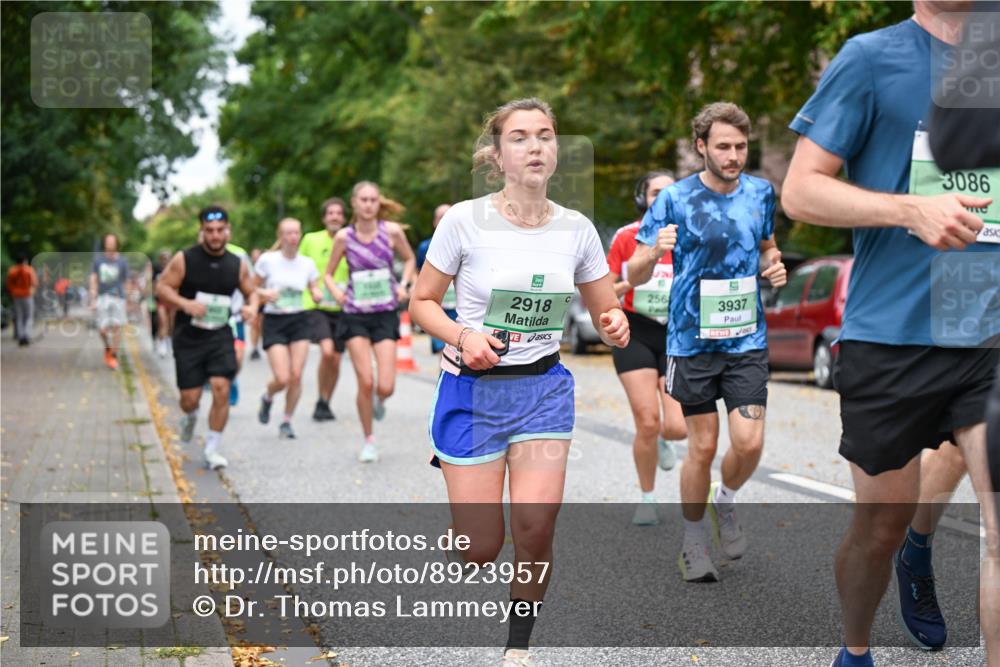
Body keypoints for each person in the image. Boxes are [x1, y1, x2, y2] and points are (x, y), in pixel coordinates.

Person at [780, 3, 999, 664]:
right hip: (893, 336)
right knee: (881, 525)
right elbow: (800, 191)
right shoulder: (872, 59)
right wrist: (908, 210)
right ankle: (856, 644)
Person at [410, 98, 629, 667]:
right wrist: (463, 338)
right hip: (474, 392)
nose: (536, 147)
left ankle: (518, 647)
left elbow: (606, 312)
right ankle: (466, 521)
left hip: (542, 391)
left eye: (546, 136)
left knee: (535, 526)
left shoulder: (576, 230)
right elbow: (422, 303)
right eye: (521, 137)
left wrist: (615, 324)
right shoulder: (463, 220)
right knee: (480, 549)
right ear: (498, 155)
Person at [628, 102, 786, 583]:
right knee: (702, 447)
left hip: (746, 339)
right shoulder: (673, 199)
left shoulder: (760, 193)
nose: (734, 155)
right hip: (691, 342)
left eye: (741, 146)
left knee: (749, 441)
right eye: (723, 146)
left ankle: (727, 501)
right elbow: (632, 272)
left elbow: (767, 247)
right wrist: (656, 249)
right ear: (701, 147)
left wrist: (774, 265)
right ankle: (693, 543)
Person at [607, 171, 688, 526]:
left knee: (676, 428)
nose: (662, 198)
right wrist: (634, 279)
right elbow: (606, 289)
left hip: (676, 335)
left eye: (669, 193)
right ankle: (648, 497)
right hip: (636, 330)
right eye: (656, 192)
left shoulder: (691, 236)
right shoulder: (628, 237)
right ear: (645, 198)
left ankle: (662, 441)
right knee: (647, 420)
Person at [155, 206, 258, 469]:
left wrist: (251, 307)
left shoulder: (236, 264)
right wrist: (184, 304)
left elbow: (252, 292)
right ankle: (190, 416)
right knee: (190, 399)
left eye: (220, 230)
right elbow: (162, 287)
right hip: (189, 337)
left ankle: (212, 448)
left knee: (222, 388)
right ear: (202, 231)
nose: (215, 236)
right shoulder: (185, 259)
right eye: (209, 231)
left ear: (228, 231)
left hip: (220, 335)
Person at [324, 181, 417, 463]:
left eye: (373, 200)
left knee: (385, 385)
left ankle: (380, 400)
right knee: (365, 380)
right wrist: (339, 294)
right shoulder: (344, 236)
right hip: (355, 314)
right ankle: (369, 439)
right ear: (354, 203)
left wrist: (404, 285)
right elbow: (328, 274)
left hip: (385, 312)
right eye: (363, 200)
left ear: (379, 203)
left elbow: (410, 258)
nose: (368, 204)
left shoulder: (391, 231)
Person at [255, 218, 324, 439]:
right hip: (275, 321)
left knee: (296, 375)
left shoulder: (307, 263)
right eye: (288, 233)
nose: (293, 237)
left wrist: (316, 293)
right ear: (280, 236)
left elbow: (314, 287)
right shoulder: (268, 260)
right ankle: (267, 396)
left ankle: (286, 420)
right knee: (282, 378)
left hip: (299, 320)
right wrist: (264, 294)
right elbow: (251, 286)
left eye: (296, 233)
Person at [300, 197, 351, 421]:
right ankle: (321, 398)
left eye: (339, 213)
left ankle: (325, 401)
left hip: (343, 307)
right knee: (327, 351)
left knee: (336, 359)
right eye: (331, 213)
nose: (335, 217)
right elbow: (299, 267)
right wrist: (311, 290)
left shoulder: (351, 239)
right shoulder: (311, 239)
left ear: (344, 218)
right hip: (317, 305)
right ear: (324, 217)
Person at [415, 203, 455, 354]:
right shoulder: (425, 246)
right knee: (443, 350)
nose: (444, 220)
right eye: (440, 217)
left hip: (459, 307)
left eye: (447, 216)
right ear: (434, 222)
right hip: (437, 306)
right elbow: (417, 271)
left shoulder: (467, 243)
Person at [90, 233, 130, 370]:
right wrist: (93, 298)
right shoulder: (99, 261)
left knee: (117, 327)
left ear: (116, 243)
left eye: (112, 241)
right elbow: (93, 279)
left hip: (118, 297)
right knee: (102, 329)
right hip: (102, 297)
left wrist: (128, 300)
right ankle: (108, 347)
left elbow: (126, 282)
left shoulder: (122, 261)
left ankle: (114, 354)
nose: (110, 244)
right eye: (108, 241)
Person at [225, 237, 253, 406]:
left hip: (235, 317)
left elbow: (250, 284)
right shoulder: (195, 256)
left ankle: (232, 381)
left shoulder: (239, 254)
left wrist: (251, 306)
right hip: (207, 320)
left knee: (238, 357)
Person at [6, 255, 38, 346]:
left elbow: (9, 284)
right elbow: (34, 283)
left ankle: (20, 336)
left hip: (16, 295)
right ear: (25, 261)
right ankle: (27, 336)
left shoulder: (12, 270)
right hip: (27, 295)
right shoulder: (29, 270)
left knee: (19, 316)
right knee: (28, 316)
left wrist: (13, 292)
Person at [152, 249, 173, 358]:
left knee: (170, 323)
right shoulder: (157, 269)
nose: (165, 260)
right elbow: (154, 284)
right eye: (163, 258)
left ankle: (167, 340)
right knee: (163, 321)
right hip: (160, 300)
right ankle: (162, 342)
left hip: (172, 300)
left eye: (167, 258)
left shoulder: (174, 269)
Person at [248, 248, 264, 361]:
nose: (256, 257)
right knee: (254, 323)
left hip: (266, 300)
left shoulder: (266, 266)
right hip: (254, 300)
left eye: (258, 255)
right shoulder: (249, 269)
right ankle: (254, 348)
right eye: (254, 255)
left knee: (262, 324)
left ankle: (266, 343)